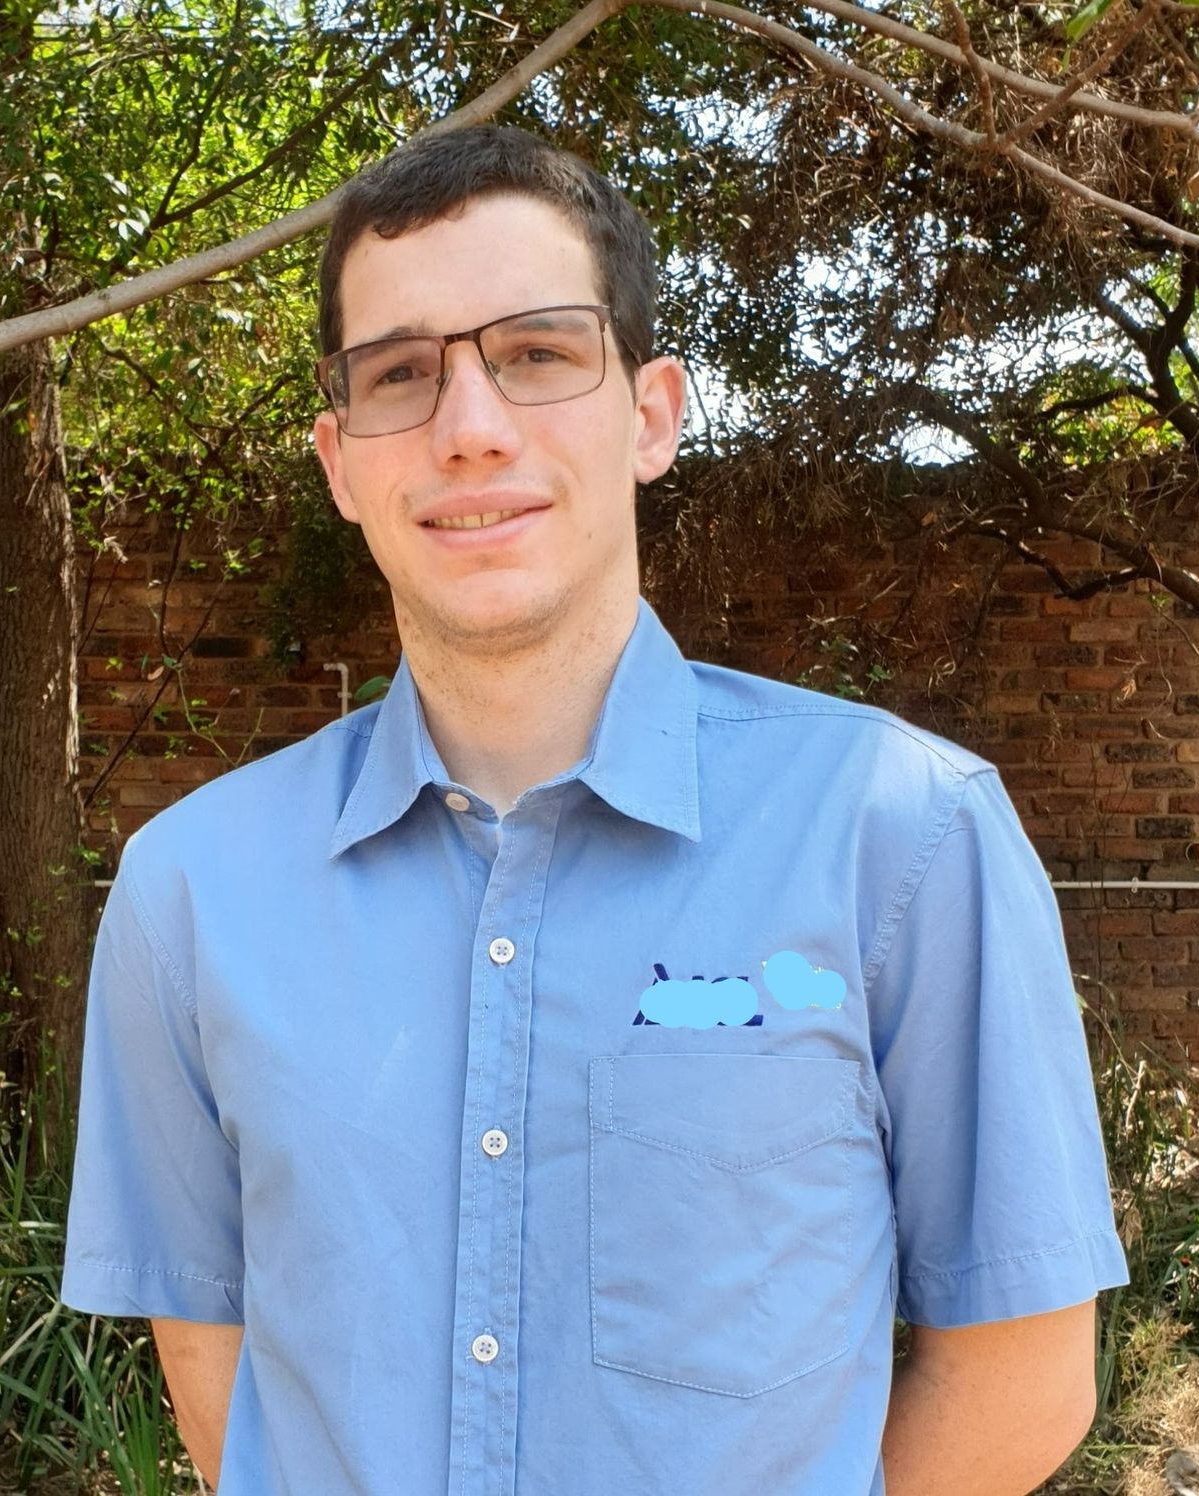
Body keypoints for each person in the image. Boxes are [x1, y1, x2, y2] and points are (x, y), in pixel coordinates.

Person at [60, 124, 1129, 1496]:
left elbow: (1021, 1376)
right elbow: (216, 1370)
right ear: (339, 462)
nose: (470, 428)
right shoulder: (192, 894)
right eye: (401, 374)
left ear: (652, 414)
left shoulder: (902, 838)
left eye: (539, 352)